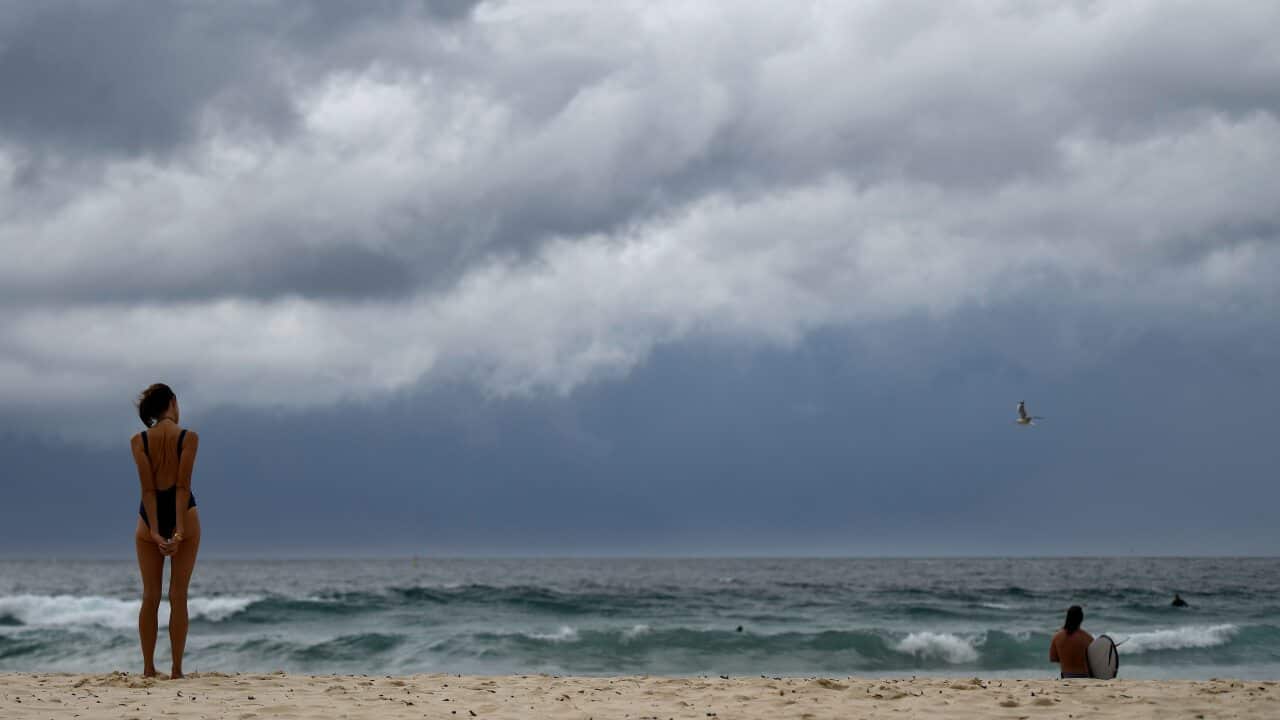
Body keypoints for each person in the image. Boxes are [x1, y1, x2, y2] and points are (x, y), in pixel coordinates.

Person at [130, 383, 201, 679]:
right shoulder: (188, 437)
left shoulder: (139, 441)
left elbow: (148, 490)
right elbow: (183, 486)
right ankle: (176, 670)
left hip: (149, 519)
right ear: (172, 402)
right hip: (184, 514)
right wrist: (179, 532)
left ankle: (148, 668)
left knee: (150, 595)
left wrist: (157, 533)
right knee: (178, 595)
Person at [1049, 605, 1093, 679]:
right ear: (1081, 619)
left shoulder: (1057, 637)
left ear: (1067, 618)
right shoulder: (1087, 638)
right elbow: (1094, 660)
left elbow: (1053, 658)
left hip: (1066, 676)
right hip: (1085, 676)